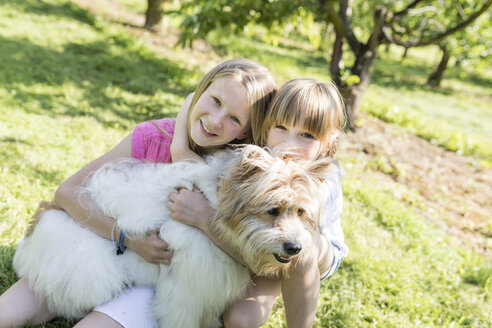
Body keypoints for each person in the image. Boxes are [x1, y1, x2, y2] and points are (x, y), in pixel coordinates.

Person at [0, 58, 276, 328]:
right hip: (103, 253)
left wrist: (205, 219)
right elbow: (68, 192)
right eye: (215, 101)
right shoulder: (154, 136)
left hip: (162, 287)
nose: (215, 121)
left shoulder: (240, 172)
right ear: (200, 91)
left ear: (244, 134)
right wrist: (127, 239)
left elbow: (255, 261)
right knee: (8, 312)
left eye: (234, 118)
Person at [168, 78, 348, 327]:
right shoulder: (255, 159)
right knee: (241, 319)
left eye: (306, 135)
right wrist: (179, 142)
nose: (290, 144)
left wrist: (204, 219)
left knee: (300, 249)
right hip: (265, 250)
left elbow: (294, 242)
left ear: (327, 142)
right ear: (265, 127)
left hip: (312, 250)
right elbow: (192, 162)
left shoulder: (322, 173)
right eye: (281, 128)